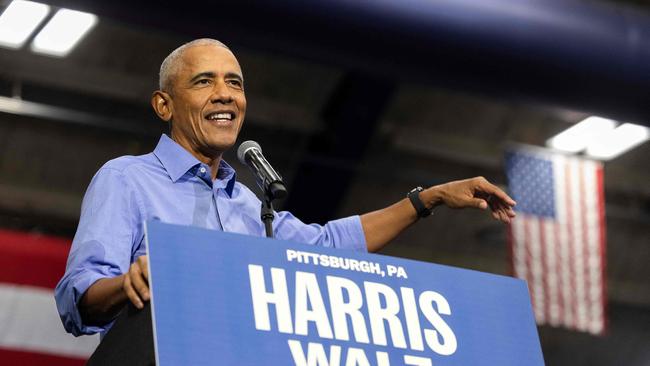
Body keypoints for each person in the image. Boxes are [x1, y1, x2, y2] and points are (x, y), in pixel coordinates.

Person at [55, 39, 516, 337]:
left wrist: (427, 198)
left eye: (234, 83)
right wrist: (125, 285)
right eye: (203, 82)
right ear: (164, 104)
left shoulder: (249, 207)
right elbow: (79, 296)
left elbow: (329, 245)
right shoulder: (126, 179)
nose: (225, 94)